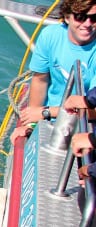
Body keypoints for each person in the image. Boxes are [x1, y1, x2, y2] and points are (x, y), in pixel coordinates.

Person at [11, 0, 96, 143]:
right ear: (67, 17)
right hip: (48, 118)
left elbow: (92, 108)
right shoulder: (50, 36)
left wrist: (46, 112)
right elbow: (40, 79)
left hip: (84, 125)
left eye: (94, 18)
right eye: (80, 17)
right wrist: (31, 122)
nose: (87, 24)